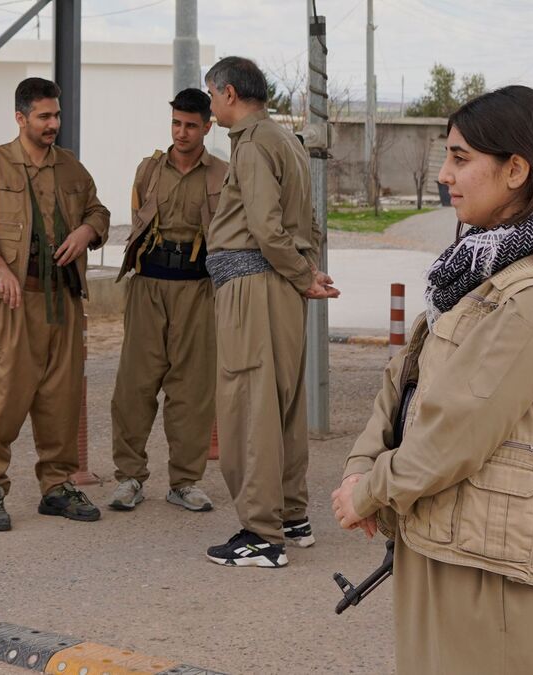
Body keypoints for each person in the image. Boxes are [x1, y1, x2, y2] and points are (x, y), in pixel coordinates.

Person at [331, 85, 533, 673]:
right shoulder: (470, 274)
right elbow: (404, 382)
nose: (444, 175)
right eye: (447, 158)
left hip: (502, 569)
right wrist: (360, 466)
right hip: (444, 540)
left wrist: (372, 490)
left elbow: (458, 429)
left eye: (460, 159)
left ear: (515, 170)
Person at [201, 56, 339, 568]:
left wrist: (303, 275)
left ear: (230, 94)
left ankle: (261, 535)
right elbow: (310, 221)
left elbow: (262, 224)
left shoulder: (255, 144)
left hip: (255, 287)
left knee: (249, 406)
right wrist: (306, 271)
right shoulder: (288, 141)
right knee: (280, 404)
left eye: (212, 95)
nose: (210, 105)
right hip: (278, 284)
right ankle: (290, 516)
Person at [0, 77, 111, 532]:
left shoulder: (71, 169)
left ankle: (57, 486)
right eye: (44, 116)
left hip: (61, 301)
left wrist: (87, 232)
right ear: (21, 118)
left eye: (56, 115)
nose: (53, 124)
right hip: (9, 303)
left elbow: (97, 212)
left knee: (60, 399)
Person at [108, 88, 228, 513]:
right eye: (176, 123)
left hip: (197, 290)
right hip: (148, 285)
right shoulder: (149, 169)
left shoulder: (222, 175)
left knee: (191, 390)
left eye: (191, 125)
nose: (182, 132)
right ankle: (129, 477)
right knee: (134, 385)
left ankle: (184, 481)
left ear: (207, 127)